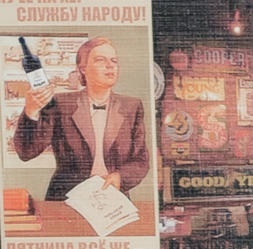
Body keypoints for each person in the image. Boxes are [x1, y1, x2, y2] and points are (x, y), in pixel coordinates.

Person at [13, 35, 152, 204]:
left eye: (114, 61)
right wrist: (31, 111)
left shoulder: (132, 107)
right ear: (83, 68)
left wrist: (120, 177)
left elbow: (141, 160)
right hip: (66, 200)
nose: (110, 65)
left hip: (114, 200)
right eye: (100, 60)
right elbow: (27, 152)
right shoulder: (61, 104)